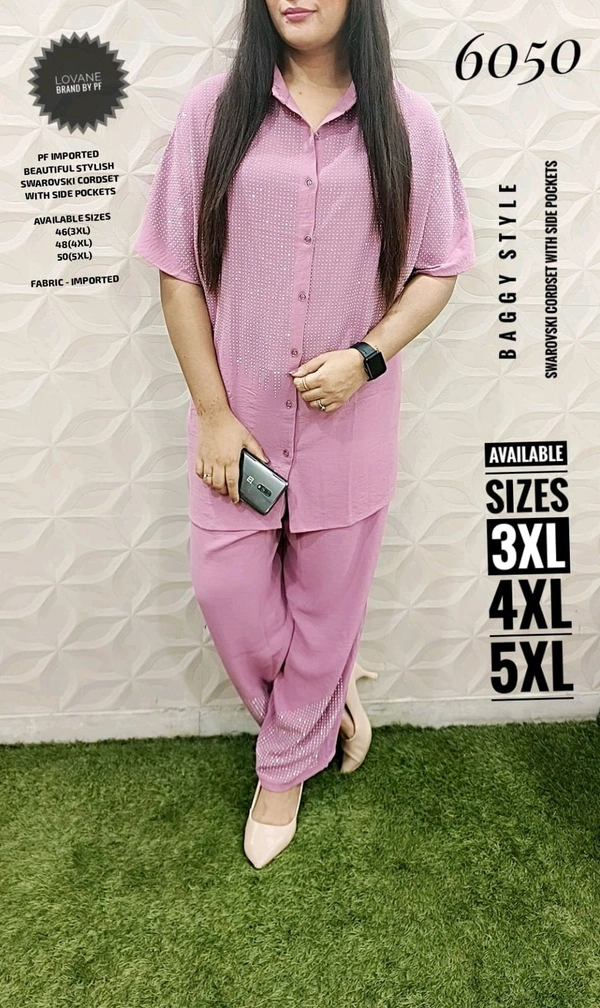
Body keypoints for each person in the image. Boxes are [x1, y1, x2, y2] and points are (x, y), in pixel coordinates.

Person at [133, 0, 476, 869]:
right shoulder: (214, 113)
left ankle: (283, 770)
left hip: (348, 428)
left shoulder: (408, 122)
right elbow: (178, 272)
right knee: (226, 591)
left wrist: (367, 357)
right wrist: (214, 413)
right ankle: (325, 703)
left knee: (326, 614)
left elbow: (440, 265)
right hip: (237, 427)